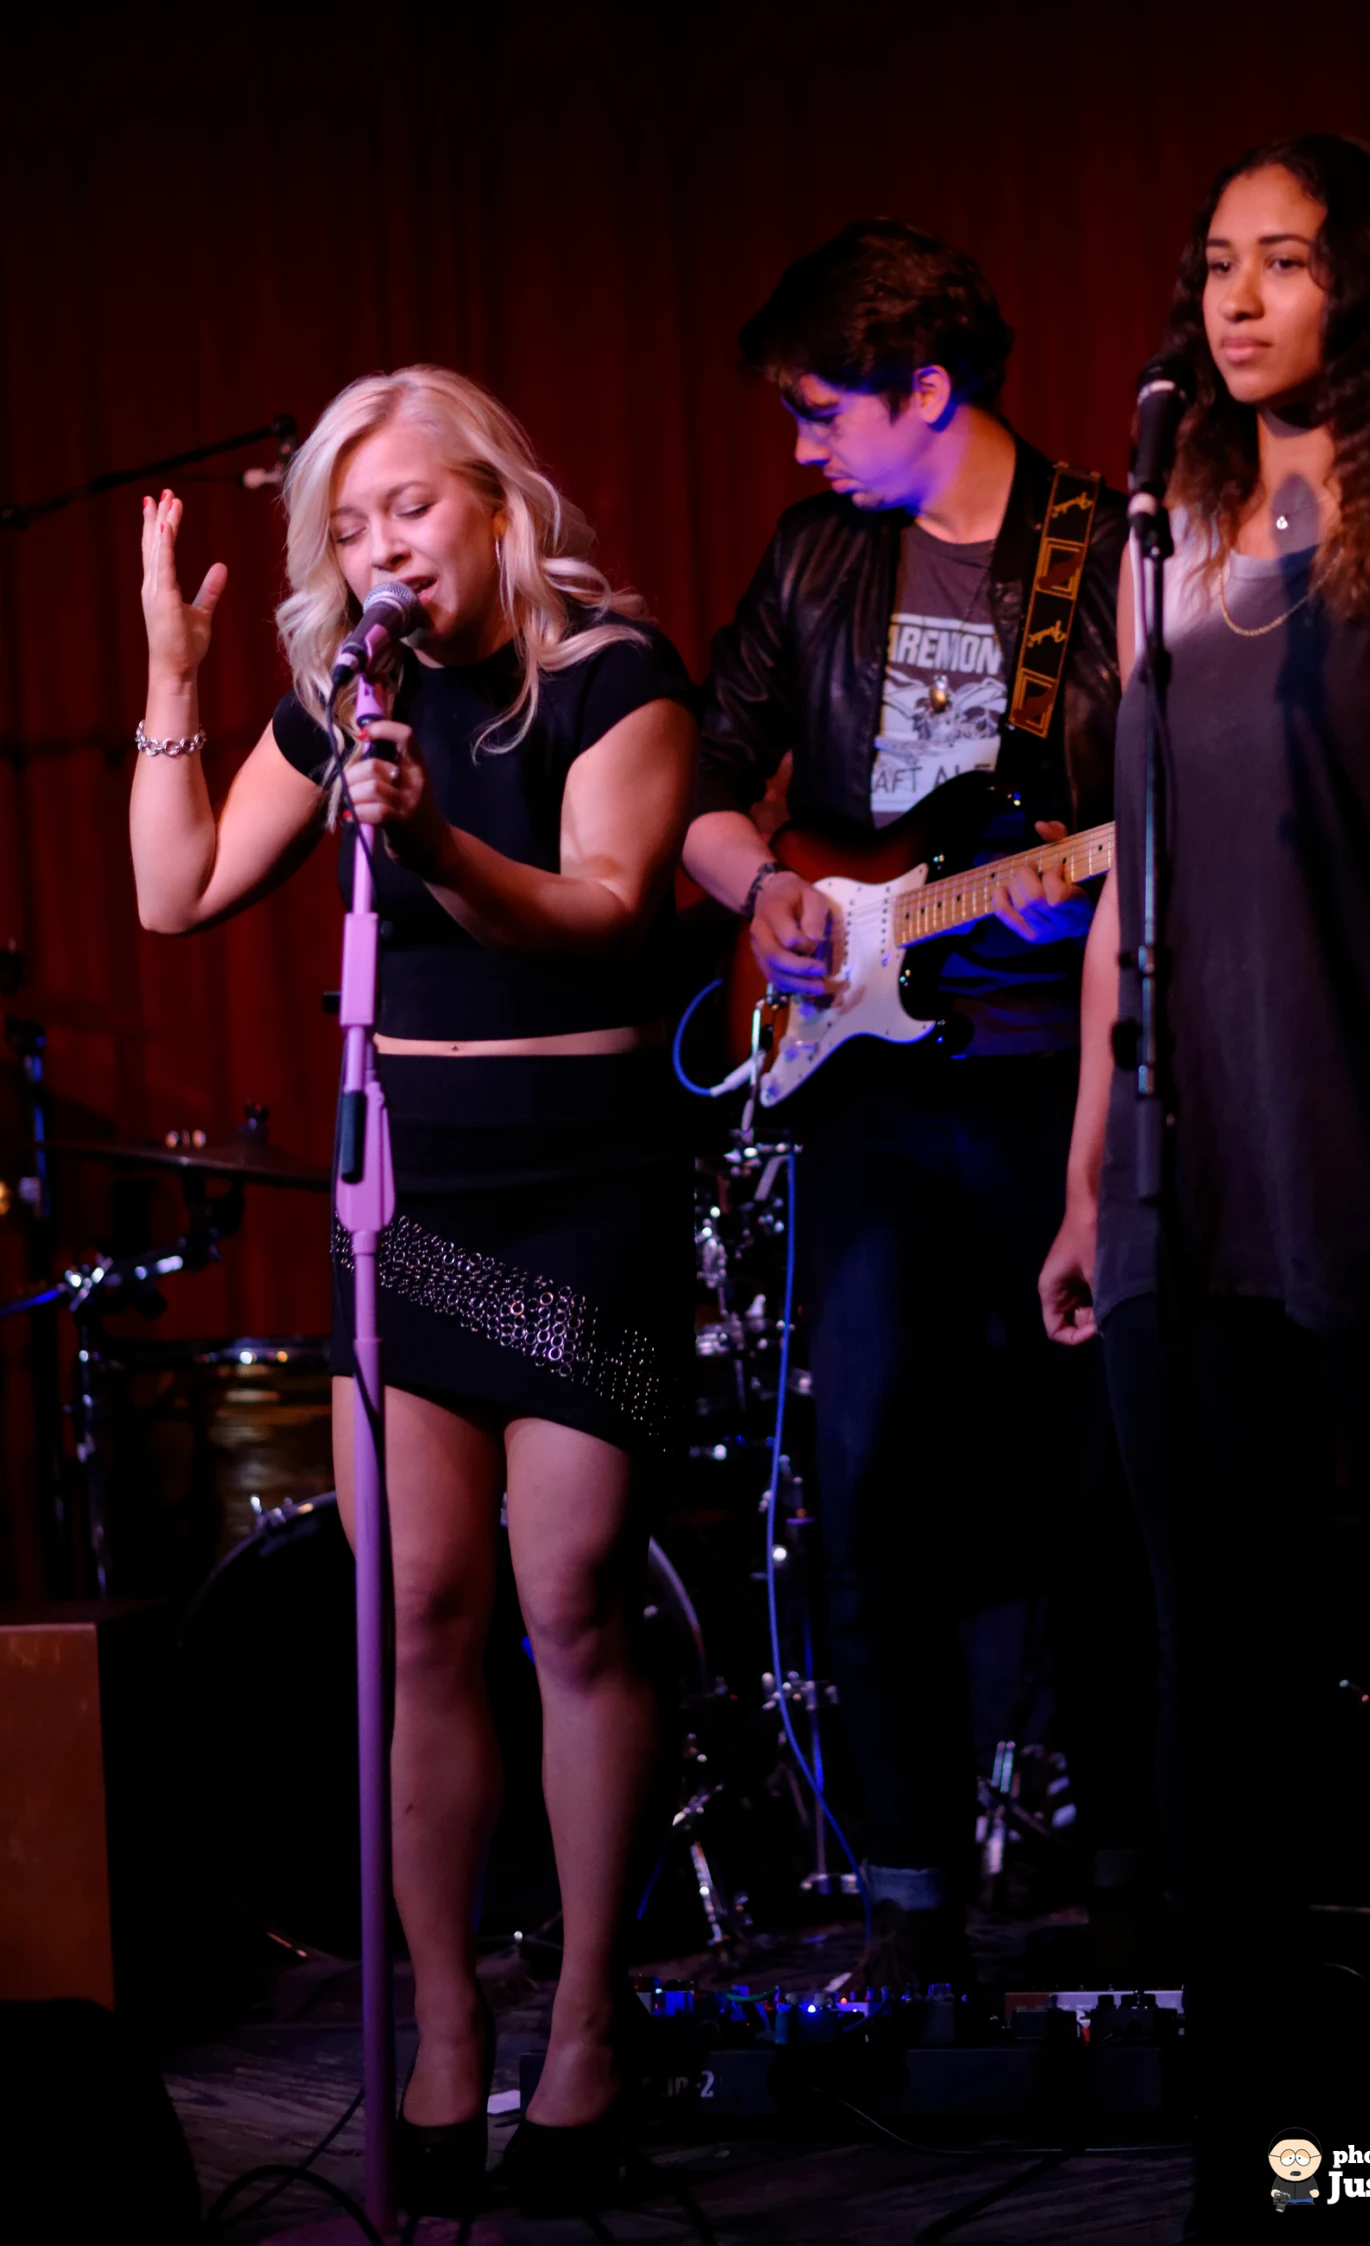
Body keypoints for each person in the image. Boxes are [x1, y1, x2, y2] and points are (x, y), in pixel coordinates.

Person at [1038, 136, 1370, 2209]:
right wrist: (1084, 1183)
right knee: (1210, 1649)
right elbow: (1117, 894)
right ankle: (1254, 2133)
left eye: (1287, 263)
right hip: (1177, 1172)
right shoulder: (1159, 533)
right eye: (1217, 266)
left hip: (1369, 1142)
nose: (1239, 299)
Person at [130, 366, 696, 2218]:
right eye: (350, 526)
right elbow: (178, 890)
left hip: (580, 1196)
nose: (381, 550)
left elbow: (609, 905)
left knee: (568, 1600)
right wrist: (175, 683)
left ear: (495, 502)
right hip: (416, 1200)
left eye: (409, 512)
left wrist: (430, 834)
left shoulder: (615, 677)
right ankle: (447, 2027)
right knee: (424, 1611)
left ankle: (591, 2019)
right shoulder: (343, 700)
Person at [684, 219, 1130, 1987]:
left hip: (1062, 1090)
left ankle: (1129, 1869)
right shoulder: (815, 566)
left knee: (1096, 1488)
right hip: (866, 1092)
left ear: (926, 390)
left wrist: (1078, 898)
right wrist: (762, 891)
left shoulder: (1109, 557)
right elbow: (717, 785)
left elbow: (1155, 826)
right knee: (863, 1481)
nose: (802, 449)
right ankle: (911, 1896)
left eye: (820, 413)